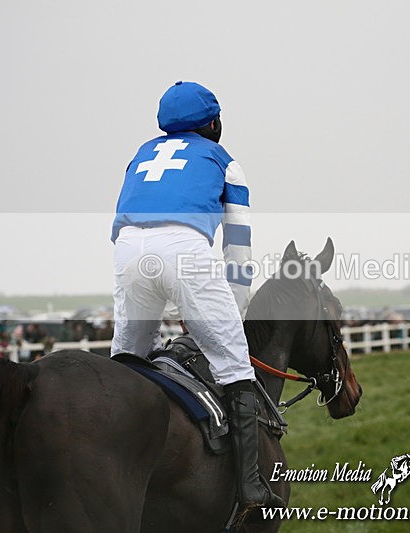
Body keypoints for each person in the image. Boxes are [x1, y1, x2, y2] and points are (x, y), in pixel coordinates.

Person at [111, 81, 283, 510]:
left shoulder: (140, 155)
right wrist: (232, 311)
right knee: (234, 366)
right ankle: (250, 489)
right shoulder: (225, 161)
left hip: (128, 250)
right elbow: (237, 246)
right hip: (186, 251)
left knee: (127, 359)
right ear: (213, 121)